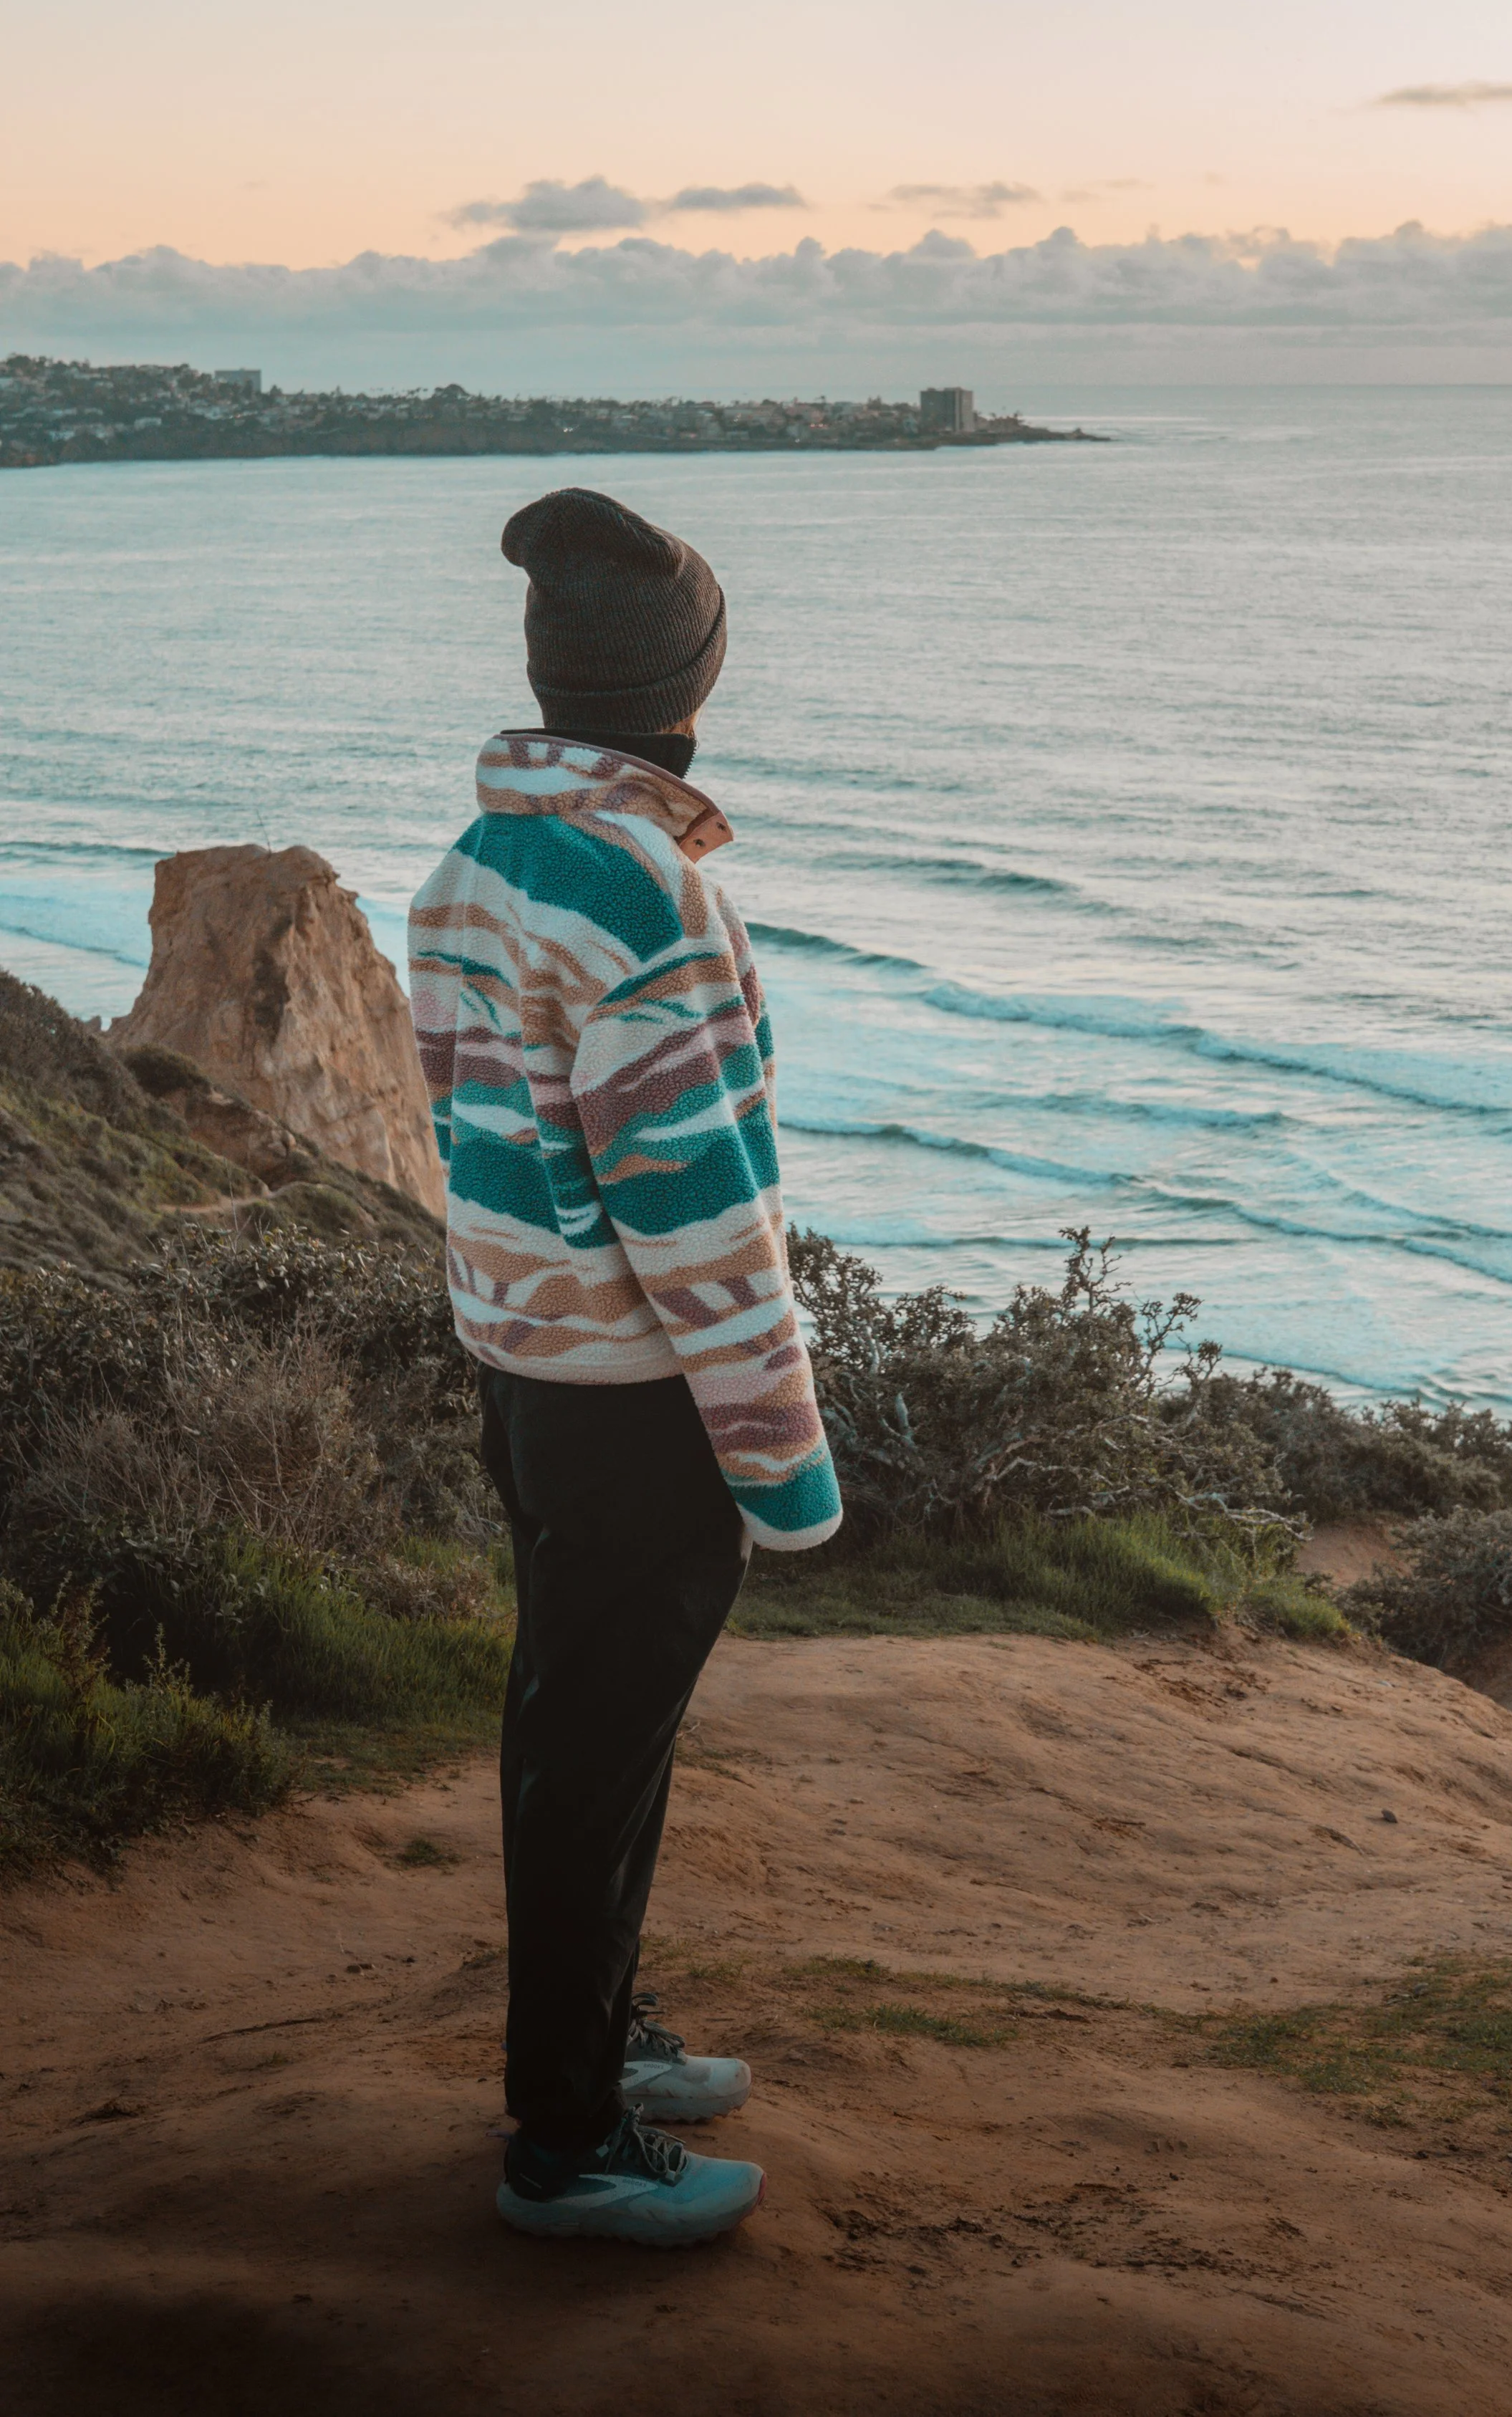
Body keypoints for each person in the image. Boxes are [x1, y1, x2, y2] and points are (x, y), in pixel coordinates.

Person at [408, 486, 842, 2247]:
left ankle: (596, 2044)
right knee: (591, 1756)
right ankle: (565, 2144)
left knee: (585, 1739)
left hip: (522, 1374)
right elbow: (699, 1220)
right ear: (689, 684)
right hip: (633, 1406)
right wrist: (785, 1473)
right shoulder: (651, 899)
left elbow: (475, 1139)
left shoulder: (472, 865)